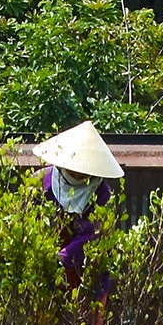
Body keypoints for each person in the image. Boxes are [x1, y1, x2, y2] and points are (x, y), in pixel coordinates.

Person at [31, 120, 124, 294]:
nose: (78, 173)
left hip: (85, 275)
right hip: (40, 273)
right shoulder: (41, 180)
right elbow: (25, 218)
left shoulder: (102, 194)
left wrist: (60, 259)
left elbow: (93, 236)